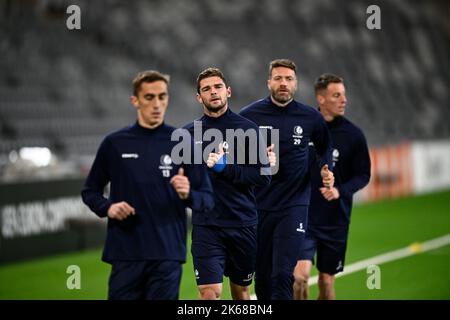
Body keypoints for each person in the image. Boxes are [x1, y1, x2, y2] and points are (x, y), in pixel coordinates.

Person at [81, 70, 214, 300]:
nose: (157, 104)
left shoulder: (182, 142)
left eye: (162, 96)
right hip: (126, 254)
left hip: (167, 255)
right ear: (135, 100)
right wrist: (107, 208)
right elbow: (90, 191)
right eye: (149, 97)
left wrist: (188, 193)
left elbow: (208, 199)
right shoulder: (115, 143)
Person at [239, 59, 334, 300]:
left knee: (282, 274)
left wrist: (326, 167)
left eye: (289, 79)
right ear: (269, 82)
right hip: (258, 207)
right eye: (278, 78)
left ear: (296, 84)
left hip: (294, 205)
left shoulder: (310, 117)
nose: (283, 83)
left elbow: (325, 146)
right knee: (262, 277)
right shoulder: (248, 116)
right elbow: (235, 158)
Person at [183, 67, 272, 300]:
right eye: (206, 89)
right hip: (206, 226)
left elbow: (264, 177)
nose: (213, 92)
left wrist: (226, 168)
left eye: (217, 87)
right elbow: (176, 178)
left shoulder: (248, 130)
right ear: (198, 97)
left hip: (242, 224)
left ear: (228, 91)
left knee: (241, 293)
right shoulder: (187, 135)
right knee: (210, 293)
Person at [293, 74, 371, 300]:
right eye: (337, 95)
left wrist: (340, 190)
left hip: (335, 220)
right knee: (299, 278)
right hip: (303, 216)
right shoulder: (304, 128)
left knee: (327, 282)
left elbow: (363, 175)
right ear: (321, 98)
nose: (344, 100)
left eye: (344, 95)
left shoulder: (354, 135)